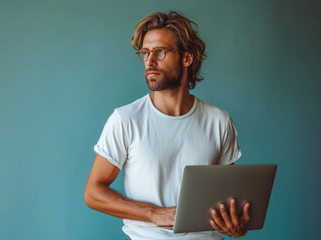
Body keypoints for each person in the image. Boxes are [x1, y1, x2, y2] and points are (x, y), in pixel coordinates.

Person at [84, 11, 250, 240]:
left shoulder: (219, 121)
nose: (150, 62)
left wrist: (235, 225)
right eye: (145, 53)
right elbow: (93, 192)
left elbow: (228, 200)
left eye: (160, 52)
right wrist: (153, 213)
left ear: (187, 58)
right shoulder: (125, 119)